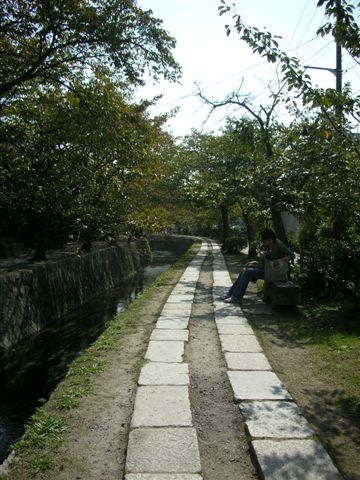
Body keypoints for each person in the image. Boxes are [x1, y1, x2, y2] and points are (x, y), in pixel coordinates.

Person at [224, 228, 295, 304]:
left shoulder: (278, 244)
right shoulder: (267, 245)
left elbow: (292, 255)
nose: (263, 242)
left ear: (270, 239)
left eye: (264, 240)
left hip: (275, 273)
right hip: (267, 270)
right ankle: (231, 294)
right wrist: (261, 257)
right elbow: (263, 261)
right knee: (245, 270)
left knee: (247, 272)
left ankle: (236, 297)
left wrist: (278, 261)